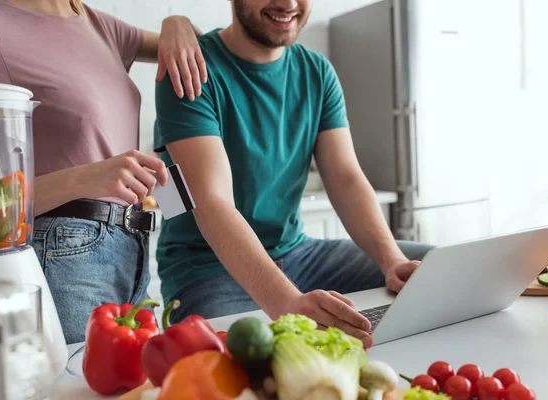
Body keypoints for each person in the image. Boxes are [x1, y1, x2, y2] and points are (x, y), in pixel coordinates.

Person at [154, 0, 433, 348]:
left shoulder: (317, 71)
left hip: (298, 253)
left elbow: (346, 178)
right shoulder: (190, 68)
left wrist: (391, 260)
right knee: (249, 358)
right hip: (206, 269)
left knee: (438, 273)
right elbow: (212, 203)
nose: (288, 4)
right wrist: (286, 301)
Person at [0, 0, 207, 344]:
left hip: (132, 247)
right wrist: (86, 178)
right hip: (65, 254)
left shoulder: (96, 24)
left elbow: (199, 44)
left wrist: (175, 22)